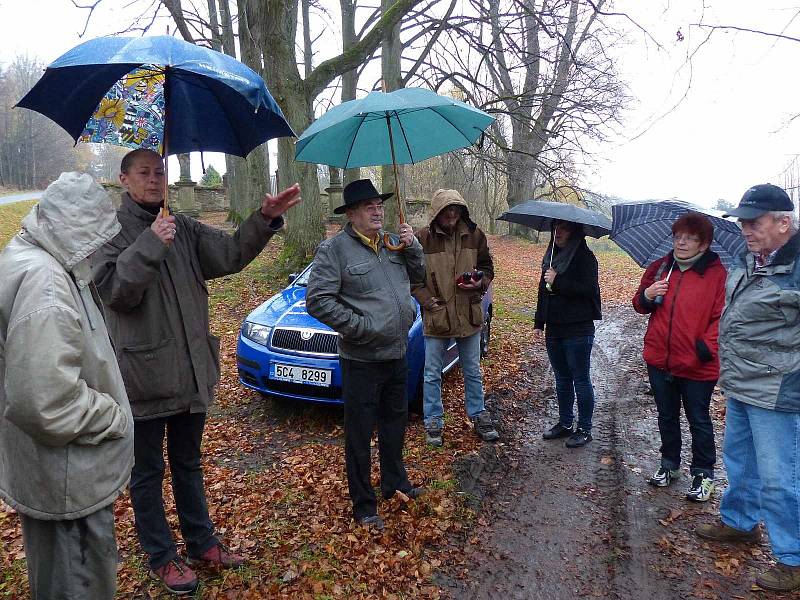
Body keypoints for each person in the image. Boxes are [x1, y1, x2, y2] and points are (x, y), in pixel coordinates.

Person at [92, 149, 301, 595]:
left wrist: (264, 218)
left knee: (188, 463)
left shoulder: (181, 225)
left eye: (160, 172)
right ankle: (162, 556)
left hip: (189, 371)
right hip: (143, 376)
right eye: (144, 173)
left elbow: (229, 255)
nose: (155, 180)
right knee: (147, 473)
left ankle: (201, 542)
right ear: (124, 179)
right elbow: (113, 292)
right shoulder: (109, 232)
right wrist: (150, 244)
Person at [0, 172, 134, 599]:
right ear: (76, 226)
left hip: (59, 472)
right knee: (77, 585)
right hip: (68, 479)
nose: (100, 247)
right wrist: (112, 415)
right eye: (97, 233)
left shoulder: (38, 257)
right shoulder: (45, 283)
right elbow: (45, 401)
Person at [695, 184, 800, 593]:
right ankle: (740, 522)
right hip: (741, 381)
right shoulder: (748, 260)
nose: (745, 229)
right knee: (739, 458)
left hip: (778, 388)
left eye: (754, 222)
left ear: (783, 223)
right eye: (742, 222)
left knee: (780, 475)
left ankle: (793, 558)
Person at [306, 178, 426, 530]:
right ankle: (363, 504)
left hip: (397, 353)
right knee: (359, 435)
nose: (378, 211)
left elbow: (418, 278)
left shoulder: (392, 243)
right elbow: (318, 300)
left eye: (380, 205)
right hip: (361, 360)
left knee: (395, 425)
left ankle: (394, 482)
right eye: (369, 206)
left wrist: (413, 246)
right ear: (352, 213)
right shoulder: (334, 250)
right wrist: (361, 327)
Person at [632, 213, 726, 502]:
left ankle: (703, 474)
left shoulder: (717, 275)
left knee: (698, 418)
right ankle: (669, 465)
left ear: (704, 244)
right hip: (660, 359)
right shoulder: (661, 268)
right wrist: (648, 293)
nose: (682, 242)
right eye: (678, 237)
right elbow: (639, 305)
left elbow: (722, 318)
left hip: (698, 365)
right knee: (667, 415)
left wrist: (704, 350)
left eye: (690, 238)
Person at [411, 189, 498, 447]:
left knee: (472, 371)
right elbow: (413, 278)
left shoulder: (475, 235)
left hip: (468, 315)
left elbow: (488, 268)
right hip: (437, 316)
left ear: (461, 210)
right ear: (436, 212)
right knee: (431, 373)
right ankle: (434, 422)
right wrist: (427, 300)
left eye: (456, 209)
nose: (451, 214)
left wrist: (479, 282)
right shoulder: (422, 239)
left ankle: (478, 415)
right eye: (446, 209)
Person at [534, 220, 601, 448]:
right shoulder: (550, 257)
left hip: (578, 329)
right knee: (562, 379)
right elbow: (543, 291)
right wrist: (538, 323)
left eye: (563, 228)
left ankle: (584, 428)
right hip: (554, 327)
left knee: (580, 379)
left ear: (574, 232)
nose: (557, 232)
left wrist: (558, 280)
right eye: (555, 228)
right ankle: (565, 423)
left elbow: (589, 289)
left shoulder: (585, 257)